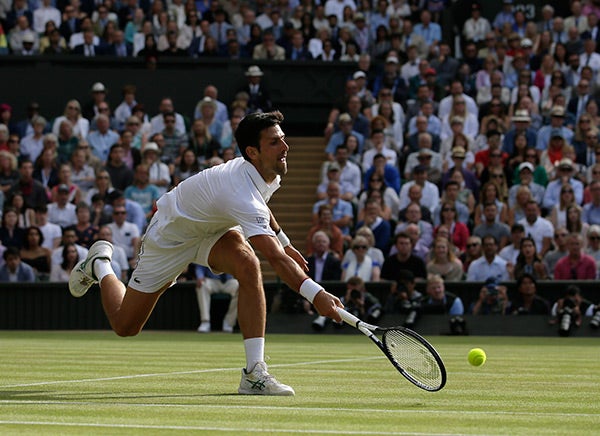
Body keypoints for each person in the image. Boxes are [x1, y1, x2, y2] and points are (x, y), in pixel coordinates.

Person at [68, 111, 342, 396]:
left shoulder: (264, 173)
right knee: (126, 326)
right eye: (275, 142)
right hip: (171, 235)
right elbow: (273, 254)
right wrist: (316, 296)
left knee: (248, 265)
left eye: (283, 140)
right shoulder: (241, 193)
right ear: (253, 152)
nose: (285, 148)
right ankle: (100, 265)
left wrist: (285, 241)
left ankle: (254, 374)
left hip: (213, 229)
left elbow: (263, 208)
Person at [195, 264, 239, 333]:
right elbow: (200, 265)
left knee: (241, 288)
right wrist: (200, 276)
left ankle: (229, 322)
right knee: (202, 285)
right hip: (212, 280)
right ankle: (205, 322)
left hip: (230, 280)